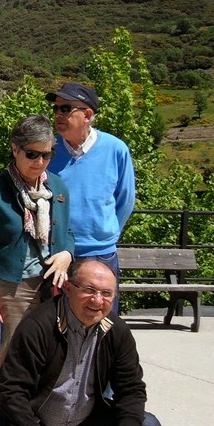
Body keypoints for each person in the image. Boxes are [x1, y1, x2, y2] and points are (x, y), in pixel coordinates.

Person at [0, 260, 163, 426]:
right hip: (38, 419)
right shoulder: (38, 325)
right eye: (89, 290)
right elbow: (12, 393)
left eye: (106, 294)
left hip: (84, 417)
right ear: (68, 288)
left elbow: (132, 390)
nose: (97, 300)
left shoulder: (117, 331)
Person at [0, 115, 75, 426]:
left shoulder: (56, 186)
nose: (40, 162)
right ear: (15, 150)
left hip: (52, 289)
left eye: (47, 155)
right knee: (8, 366)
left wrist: (67, 253)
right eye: (32, 154)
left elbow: (68, 233)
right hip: (11, 288)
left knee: (50, 366)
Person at [46, 82, 135, 288]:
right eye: (56, 108)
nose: (58, 114)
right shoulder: (48, 150)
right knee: (57, 318)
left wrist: (104, 234)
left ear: (87, 115)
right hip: (56, 254)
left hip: (100, 254)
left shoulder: (115, 149)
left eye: (66, 108)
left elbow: (126, 200)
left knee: (100, 317)